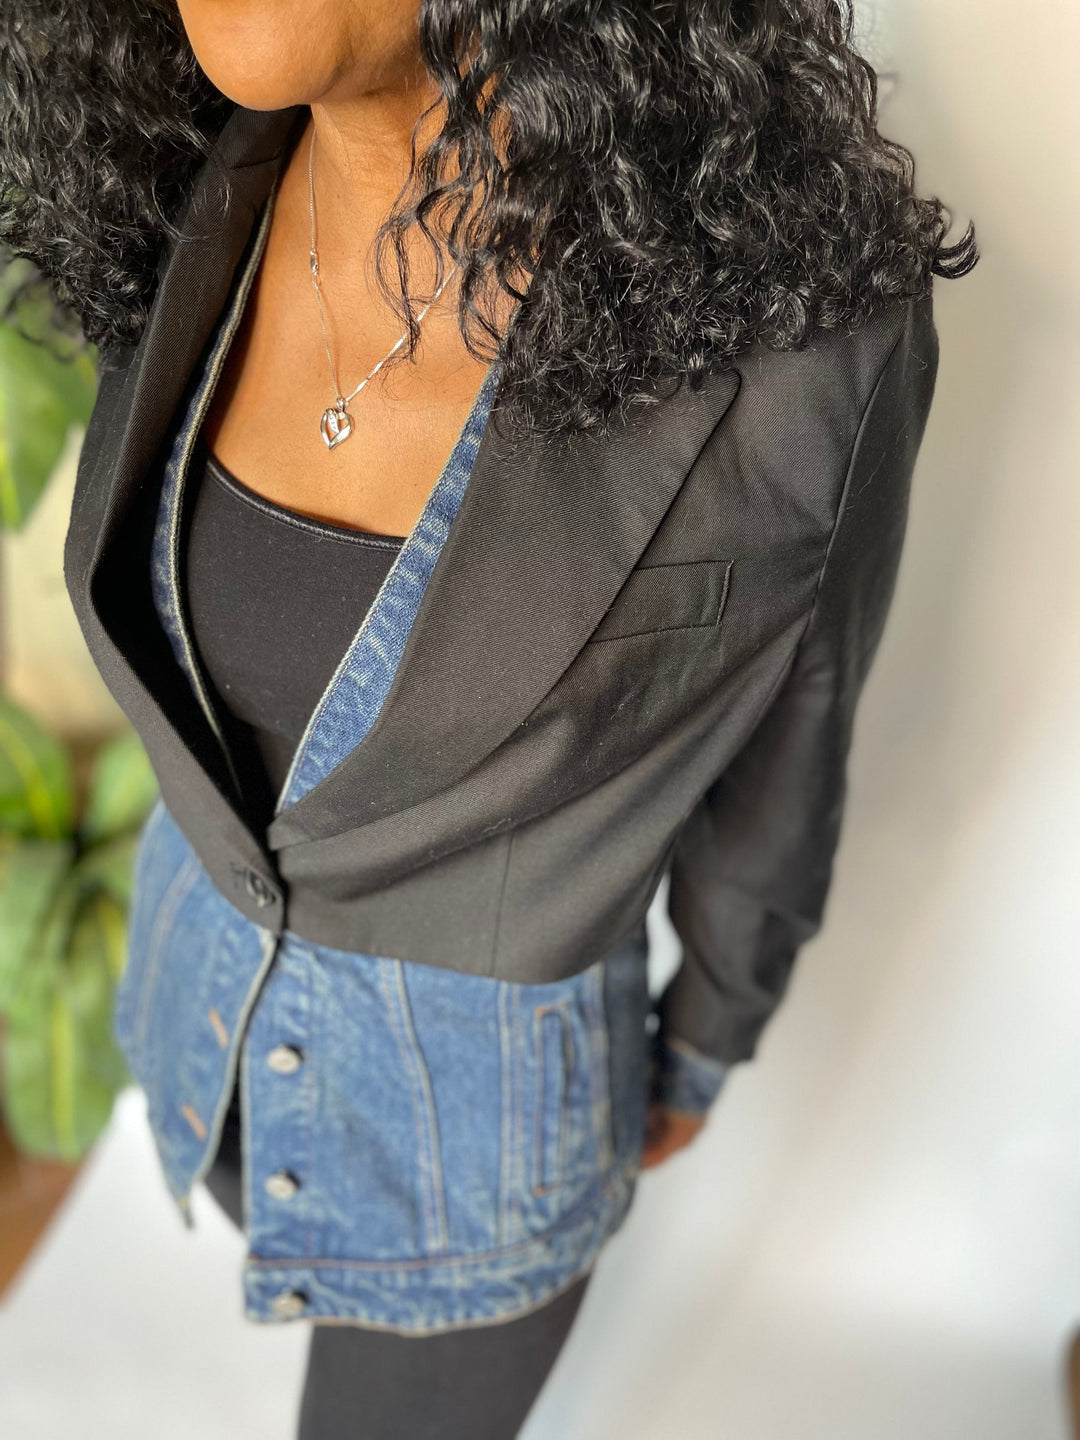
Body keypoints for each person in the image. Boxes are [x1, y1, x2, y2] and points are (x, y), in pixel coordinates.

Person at [0, 2, 977, 1436]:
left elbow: (800, 702)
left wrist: (714, 1020)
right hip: (188, 1023)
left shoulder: (801, 321)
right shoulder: (171, 179)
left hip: (481, 1157)